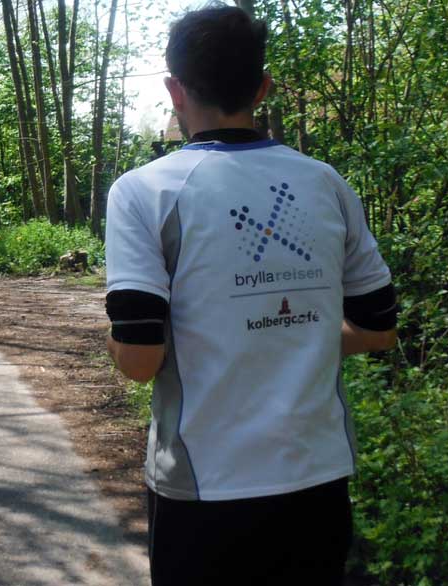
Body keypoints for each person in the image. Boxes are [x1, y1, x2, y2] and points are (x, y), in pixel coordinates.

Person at [103, 7, 398, 585]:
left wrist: (114, 342)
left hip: (203, 488)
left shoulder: (143, 191)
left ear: (175, 89)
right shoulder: (325, 182)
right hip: (317, 482)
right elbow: (378, 328)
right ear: (262, 88)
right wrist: (295, 333)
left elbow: (139, 360)